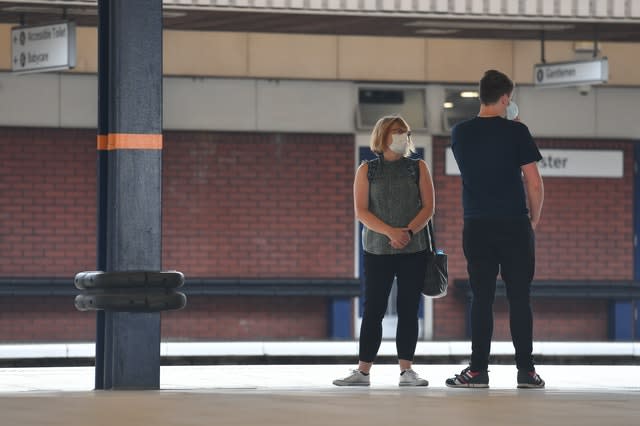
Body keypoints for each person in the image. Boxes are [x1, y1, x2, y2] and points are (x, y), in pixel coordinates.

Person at [446, 69, 545, 389]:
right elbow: (533, 181)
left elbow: (481, 167)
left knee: (482, 298)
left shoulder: (460, 133)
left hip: (477, 225)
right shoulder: (517, 132)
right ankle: (526, 372)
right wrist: (533, 220)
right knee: (520, 298)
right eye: (510, 98)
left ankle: (477, 371)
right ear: (505, 98)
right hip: (515, 224)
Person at [333, 115, 435, 387]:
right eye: (397, 131)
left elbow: (428, 208)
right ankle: (363, 371)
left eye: (406, 131)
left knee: (408, 309)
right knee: (374, 309)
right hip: (377, 250)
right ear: (383, 135)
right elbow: (361, 211)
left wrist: (408, 233)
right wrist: (391, 232)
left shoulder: (418, 167)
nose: (403, 135)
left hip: (414, 249)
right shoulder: (367, 170)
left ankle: (407, 371)